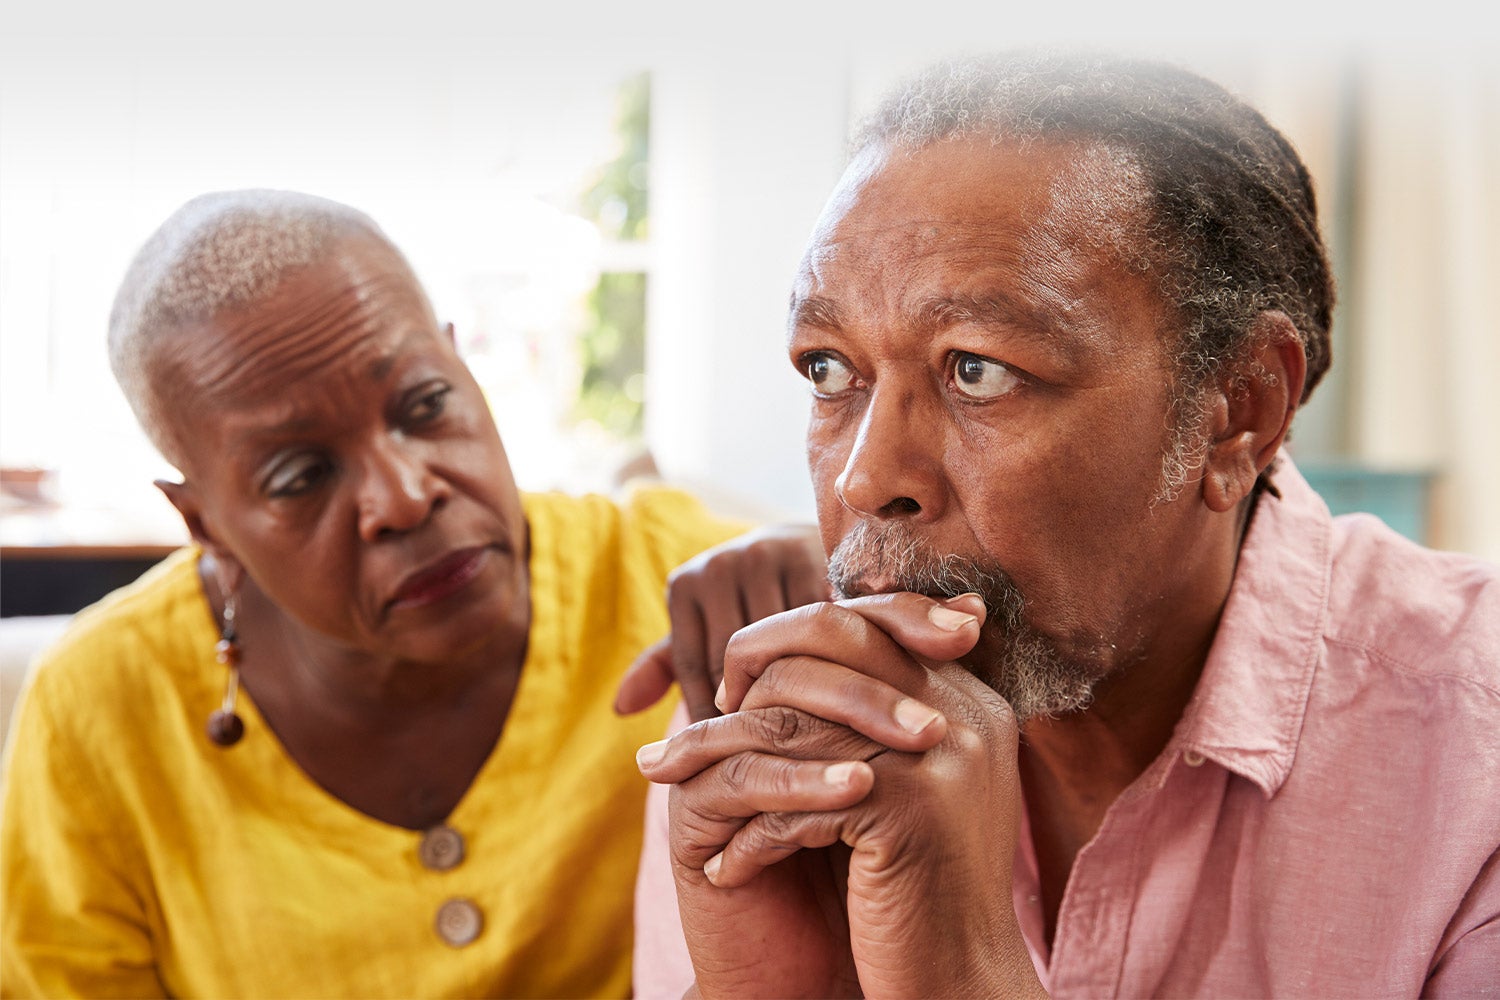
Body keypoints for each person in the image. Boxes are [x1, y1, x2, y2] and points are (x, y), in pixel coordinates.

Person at [630, 52, 1500, 996]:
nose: (867, 477)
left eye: (978, 370)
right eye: (830, 370)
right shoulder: (783, 730)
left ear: (1237, 411)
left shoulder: (1472, 775)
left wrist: (960, 974)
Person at [0, 189, 827, 998]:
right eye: (301, 475)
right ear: (204, 521)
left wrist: (843, 578)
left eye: (425, 405)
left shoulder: (674, 580)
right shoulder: (98, 709)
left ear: (463, 366)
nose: (403, 496)